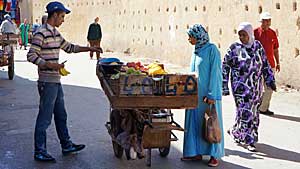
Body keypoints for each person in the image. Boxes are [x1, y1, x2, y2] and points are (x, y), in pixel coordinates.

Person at [27, 1, 101, 162]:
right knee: (45, 118)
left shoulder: (55, 33)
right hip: (47, 82)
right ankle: (39, 151)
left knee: (61, 115)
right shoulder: (41, 33)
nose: (63, 20)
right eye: (61, 16)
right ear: (54, 15)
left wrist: (91, 48)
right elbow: (31, 55)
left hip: (56, 81)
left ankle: (66, 145)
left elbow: (69, 47)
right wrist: (49, 64)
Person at [222, 22, 276, 152]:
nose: (241, 37)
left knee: (254, 112)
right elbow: (225, 66)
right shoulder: (234, 48)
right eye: (239, 35)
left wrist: (270, 80)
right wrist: (224, 85)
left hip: (256, 87)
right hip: (240, 88)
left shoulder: (258, 46)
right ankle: (249, 140)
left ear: (250, 34)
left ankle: (237, 131)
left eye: (244, 35)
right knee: (245, 111)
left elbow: (265, 64)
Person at [182, 24, 224, 167]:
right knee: (195, 123)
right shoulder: (196, 51)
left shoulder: (212, 50)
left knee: (211, 124)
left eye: (191, 36)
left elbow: (216, 74)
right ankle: (195, 152)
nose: (189, 39)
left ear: (198, 36)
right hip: (195, 96)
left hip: (207, 96)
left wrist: (212, 94)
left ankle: (214, 155)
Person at [254, 12, 280, 115]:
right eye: (266, 20)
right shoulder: (255, 32)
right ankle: (258, 106)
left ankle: (263, 108)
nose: (268, 22)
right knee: (258, 88)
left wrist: (278, 63)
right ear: (262, 21)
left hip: (270, 66)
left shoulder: (272, 33)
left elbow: (276, 49)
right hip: (258, 66)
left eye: (269, 20)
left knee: (269, 88)